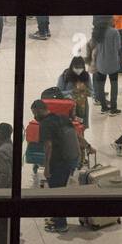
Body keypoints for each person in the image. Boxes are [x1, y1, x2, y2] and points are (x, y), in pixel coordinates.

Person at [37, 99, 79, 233]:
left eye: (34, 112)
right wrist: (88, 146)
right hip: (69, 160)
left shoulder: (45, 124)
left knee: (56, 194)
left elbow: (48, 145)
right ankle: (56, 218)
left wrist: (47, 166)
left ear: (39, 110)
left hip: (56, 163)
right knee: (60, 190)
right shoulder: (62, 117)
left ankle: (61, 224)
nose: (34, 116)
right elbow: (76, 135)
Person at [86, 17, 122, 115]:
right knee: (114, 85)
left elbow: (91, 45)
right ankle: (113, 109)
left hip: (100, 63)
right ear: (109, 21)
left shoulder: (96, 32)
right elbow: (118, 47)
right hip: (113, 63)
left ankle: (103, 107)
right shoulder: (114, 32)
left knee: (100, 86)